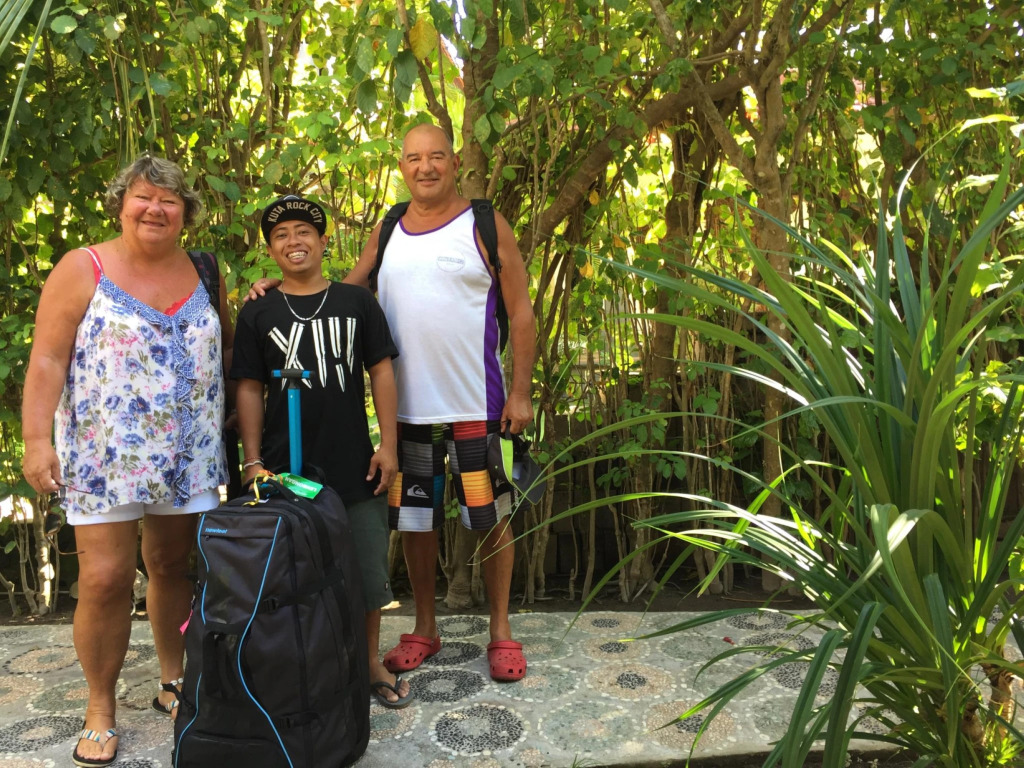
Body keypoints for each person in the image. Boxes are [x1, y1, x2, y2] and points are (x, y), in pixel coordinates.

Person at [20, 155, 232, 767]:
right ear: (120, 204)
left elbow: (224, 349)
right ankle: (100, 707)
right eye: (143, 197)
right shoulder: (81, 267)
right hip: (103, 454)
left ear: (185, 212)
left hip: (188, 453)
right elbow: (47, 359)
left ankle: (174, 679)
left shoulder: (203, 270)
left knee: (171, 565)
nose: (155, 209)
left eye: (169, 200)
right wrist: (37, 440)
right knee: (106, 579)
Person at [349, 123, 535, 682]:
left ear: (455, 164)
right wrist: (281, 289)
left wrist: (520, 392)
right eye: (414, 158)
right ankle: (424, 628)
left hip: (477, 408)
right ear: (401, 167)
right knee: (416, 521)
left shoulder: (483, 223)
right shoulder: (388, 229)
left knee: (491, 518)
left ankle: (500, 631)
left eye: (436, 157)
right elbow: (347, 292)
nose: (425, 167)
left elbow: (520, 312)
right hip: (406, 415)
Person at [232, 195, 413, 708]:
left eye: (303, 231)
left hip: (353, 461)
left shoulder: (357, 303)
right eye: (281, 235)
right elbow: (249, 386)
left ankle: (369, 661)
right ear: (270, 250)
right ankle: (301, 666)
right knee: (287, 572)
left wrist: (388, 445)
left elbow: (381, 371)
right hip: (281, 469)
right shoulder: (258, 311)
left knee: (367, 569)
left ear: (323, 241)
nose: (294, 241)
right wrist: (252, 461)